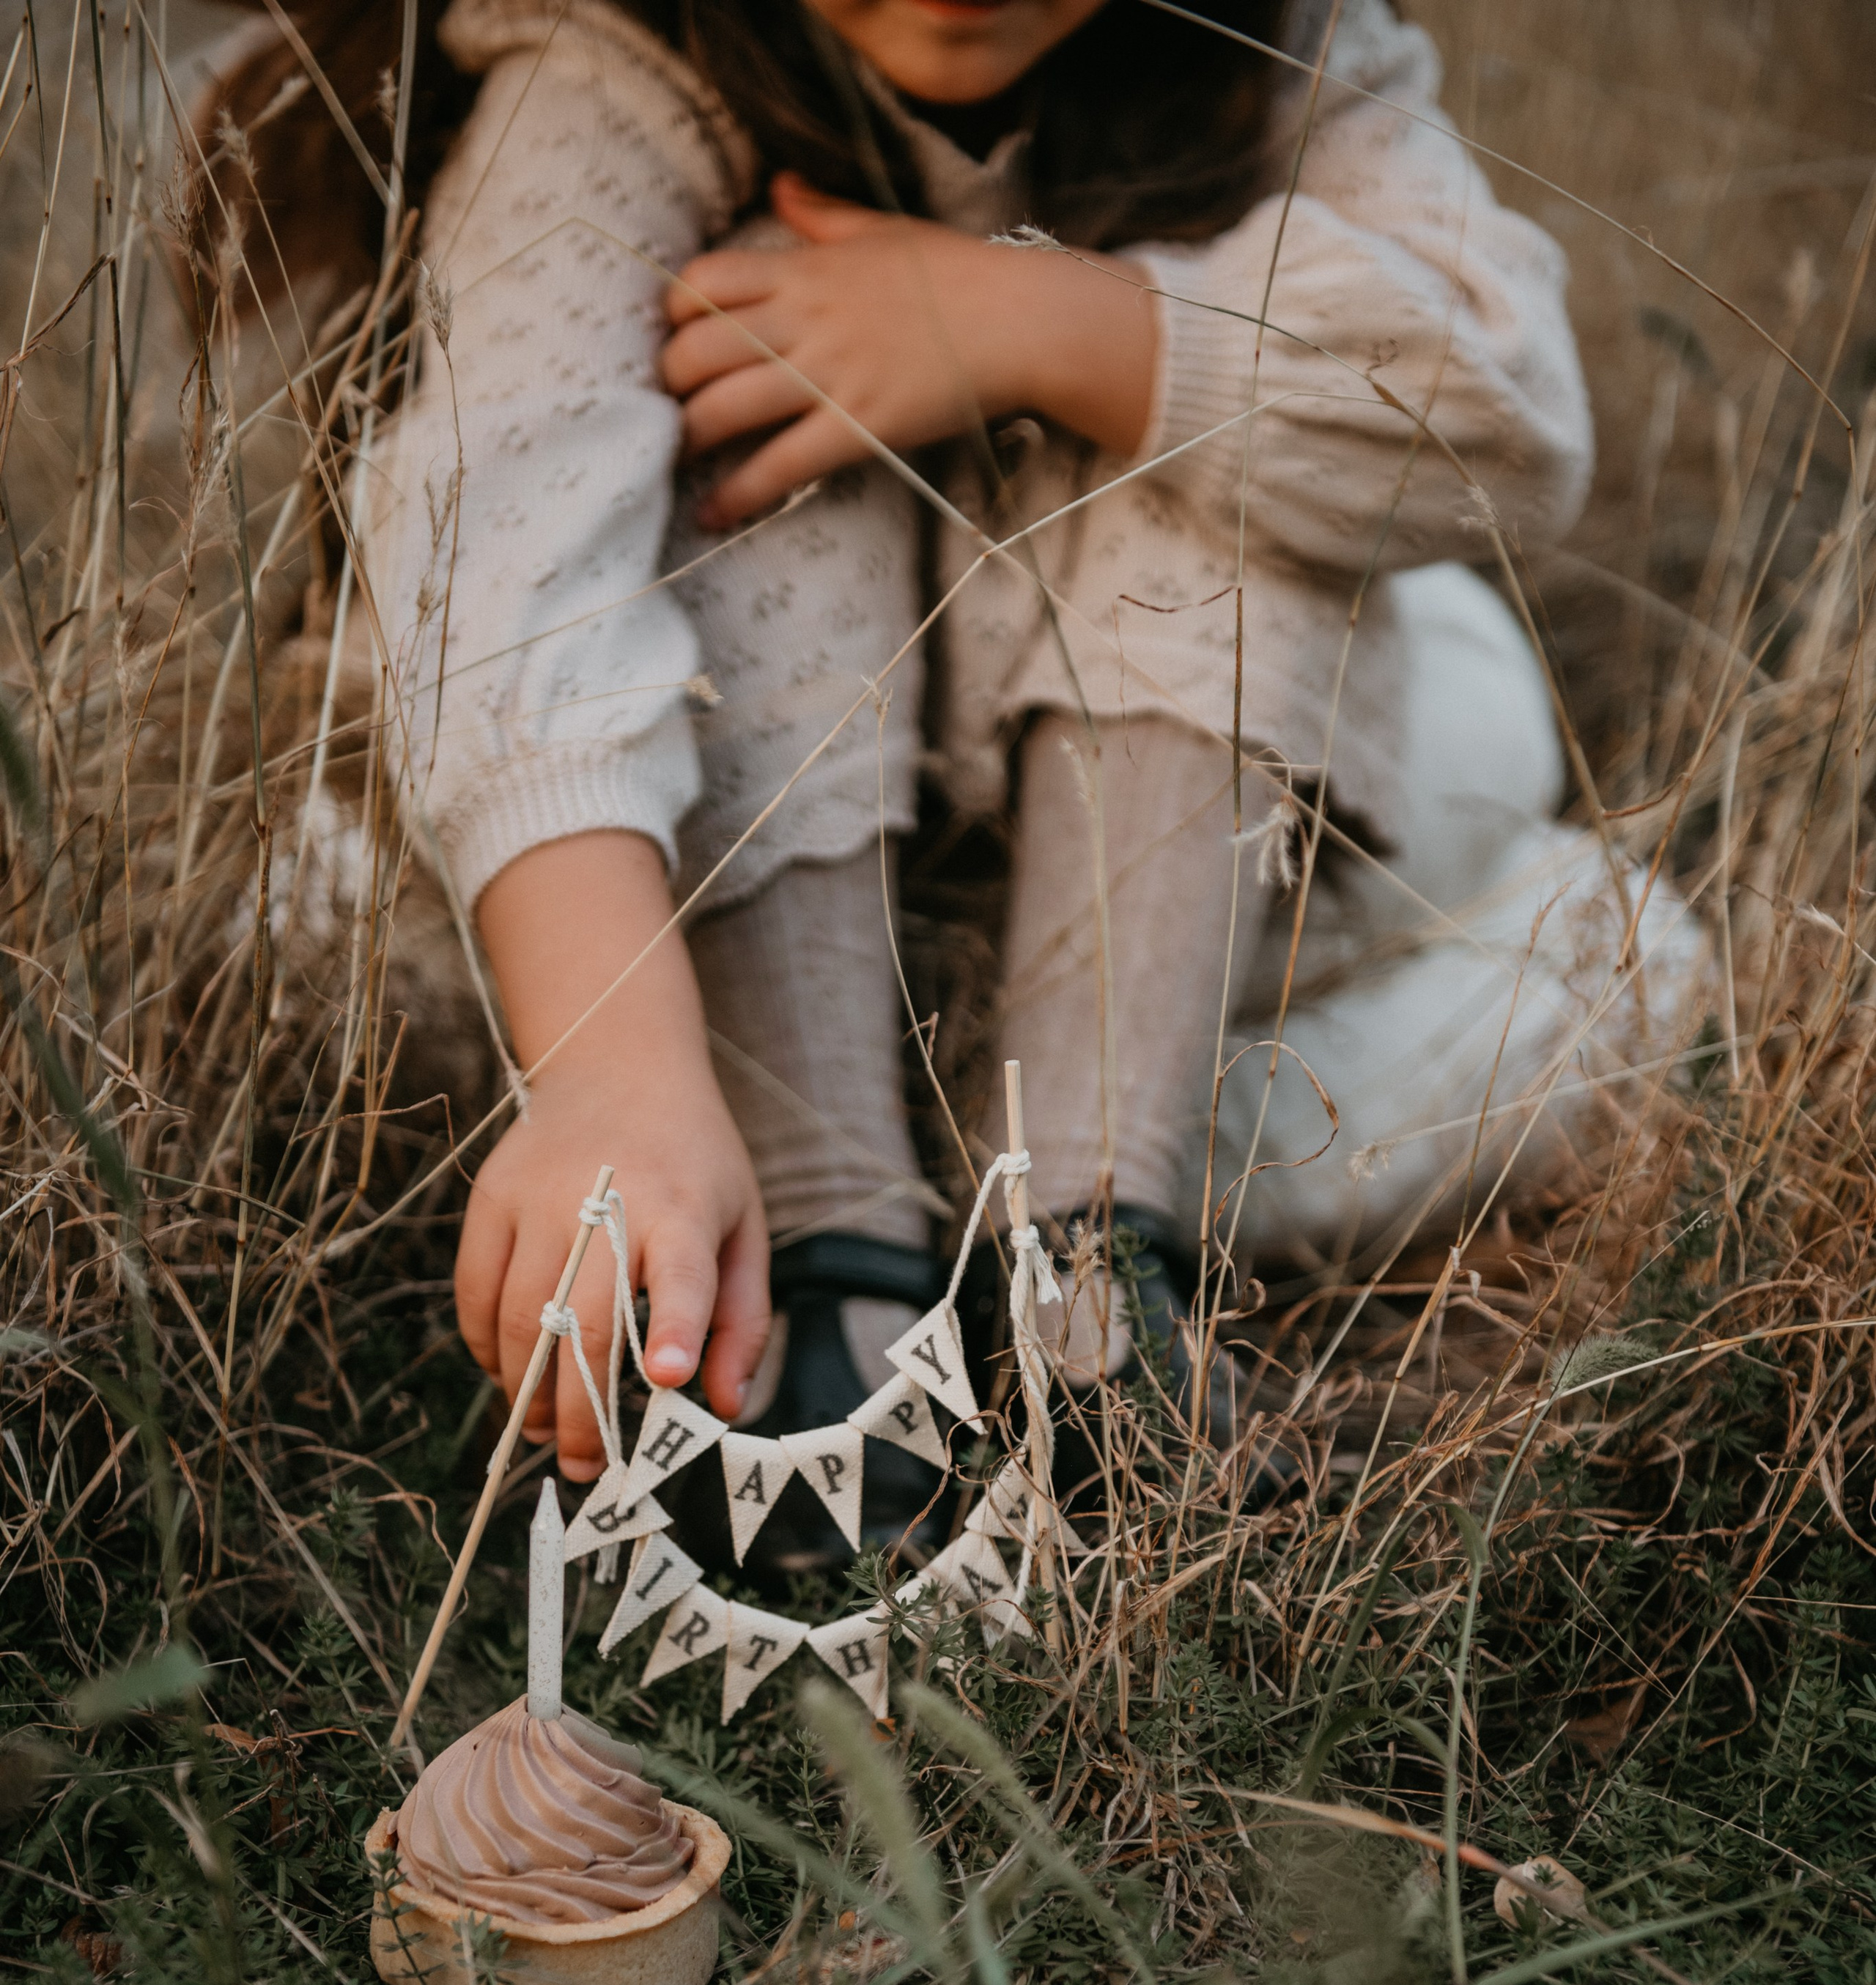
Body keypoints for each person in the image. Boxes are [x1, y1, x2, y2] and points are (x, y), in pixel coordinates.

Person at [198, 0, 1692, 1550]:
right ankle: (837, 1239)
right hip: (679, 960)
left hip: (1129, 913)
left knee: (1624, 958)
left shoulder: (1278, 49)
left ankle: (1078, 1254)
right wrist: (607, 1069)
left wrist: (1027, 325)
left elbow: (1505, 412)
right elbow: (505, 568)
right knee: (744, 409)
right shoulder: (619, 69)